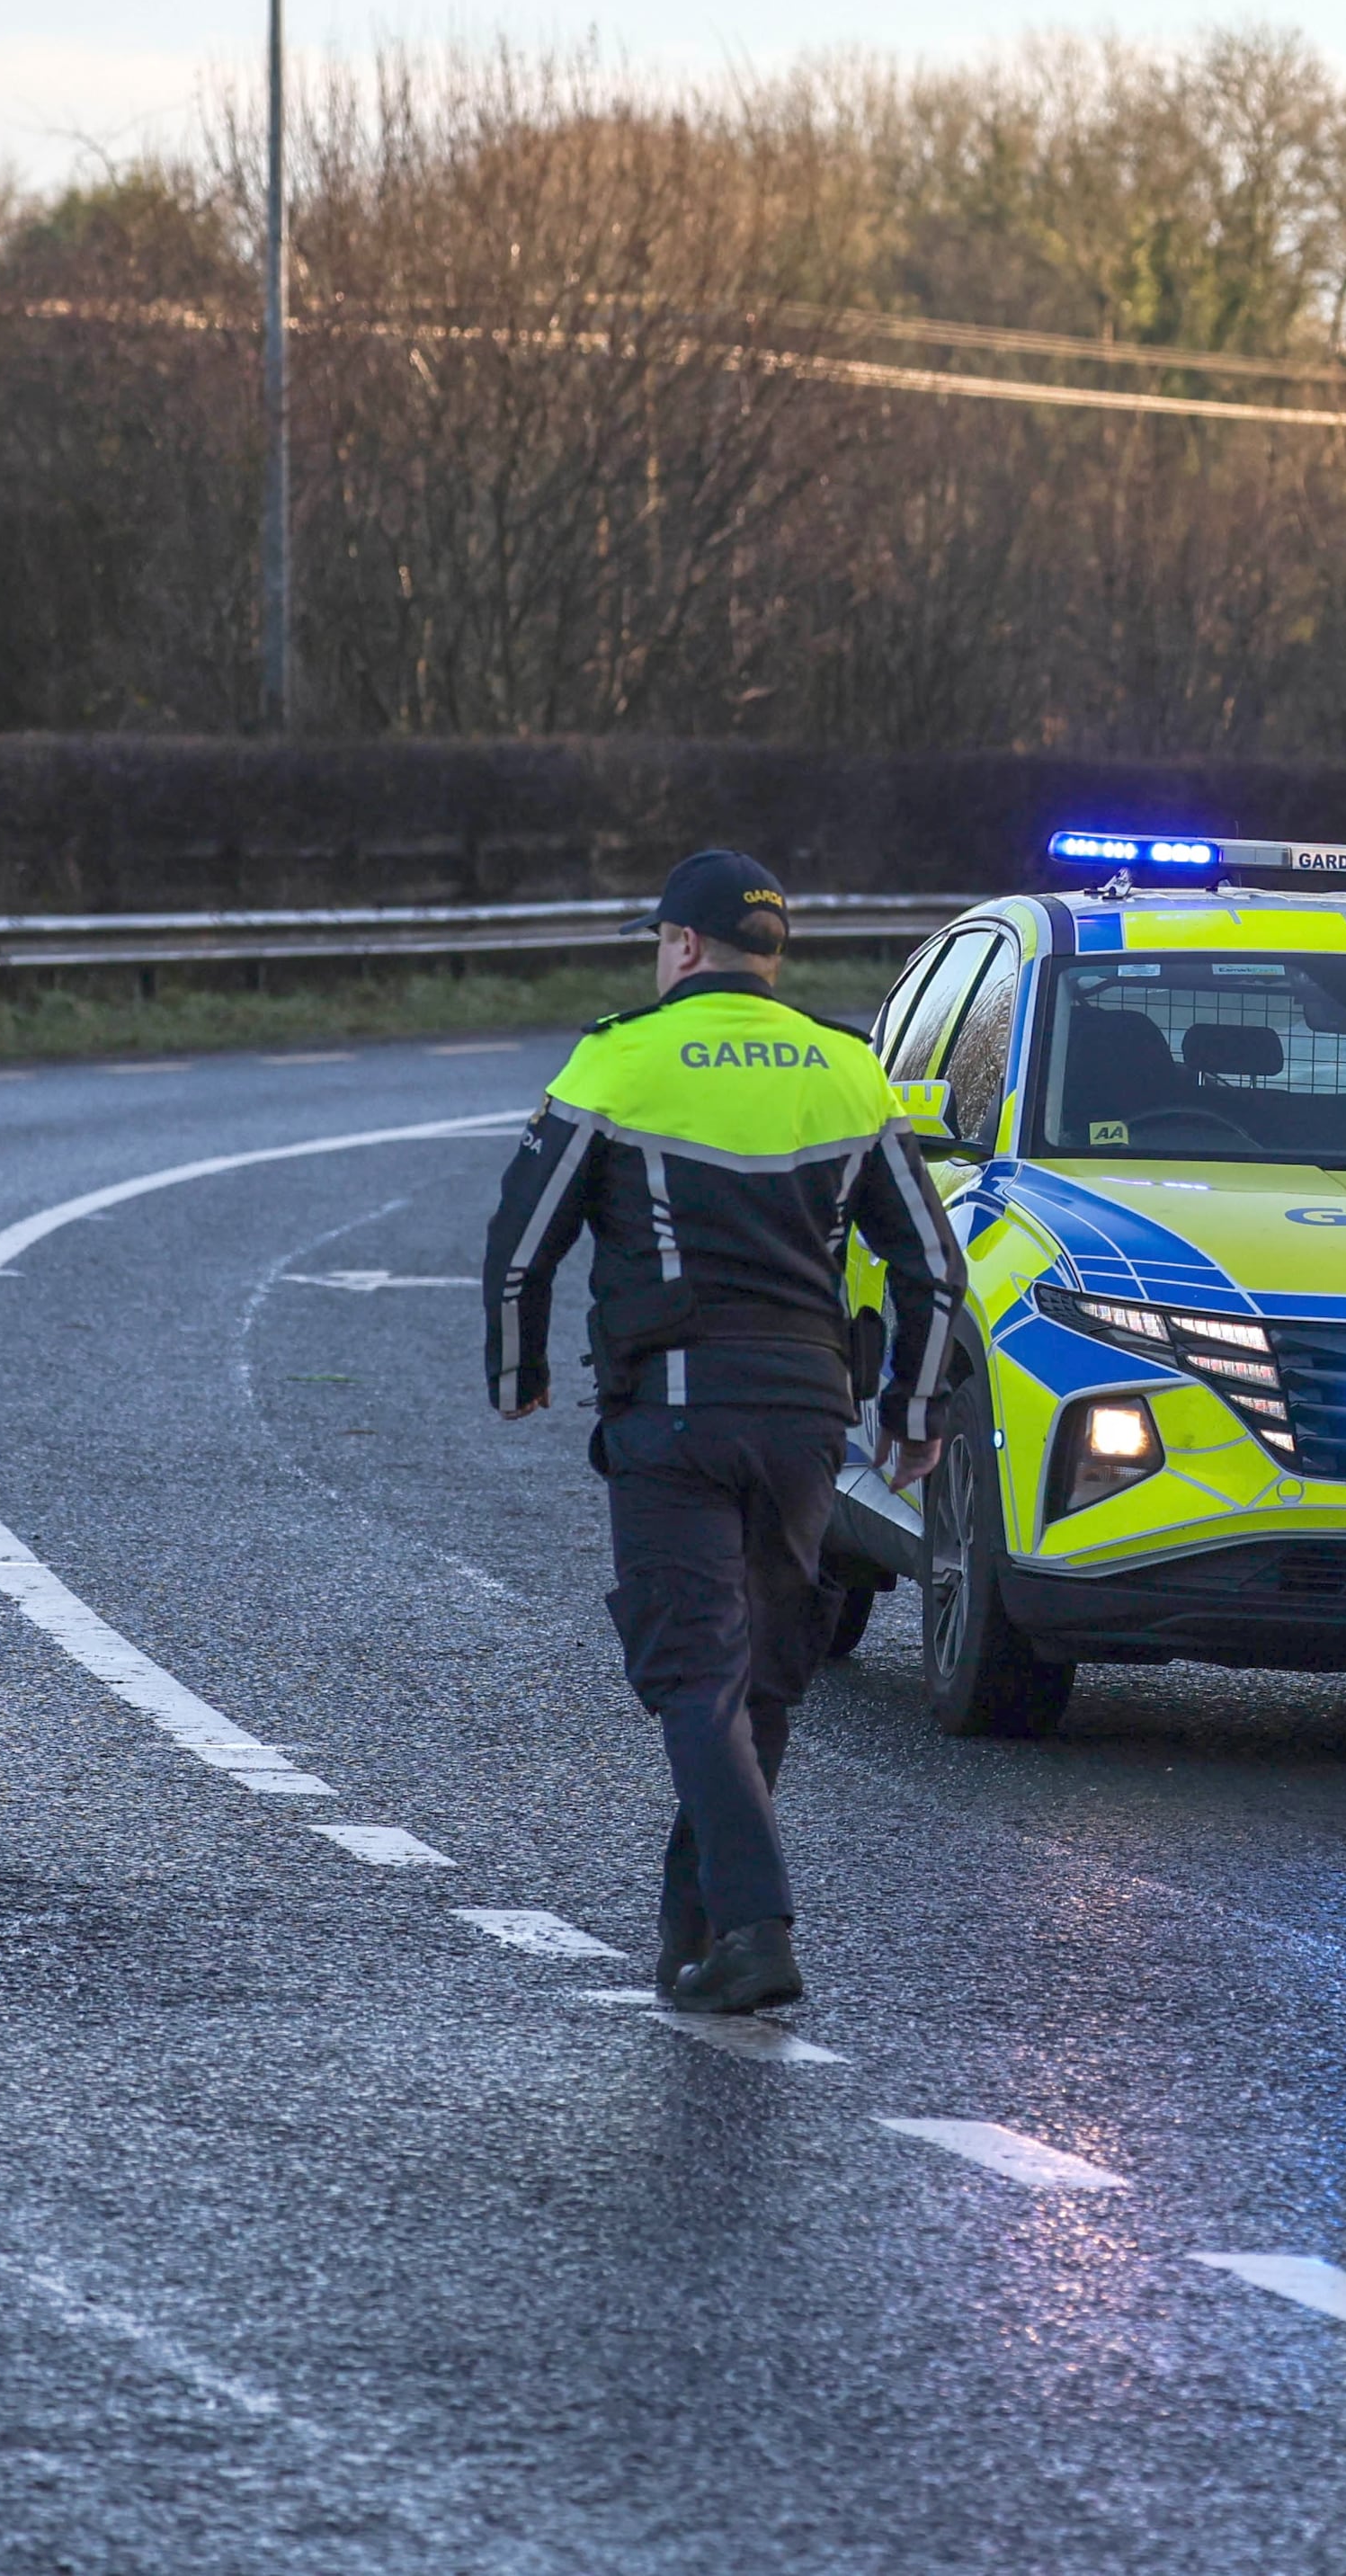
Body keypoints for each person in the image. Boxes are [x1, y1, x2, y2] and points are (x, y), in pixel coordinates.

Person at [483, 849, 964, 2014]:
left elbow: (521, 1239)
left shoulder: (622, 1058)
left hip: (677, 1413)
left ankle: (758, 1928)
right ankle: (690, 1934)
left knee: (694, 1670)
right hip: (808, 1420)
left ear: (682, 946)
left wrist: (519, 1372)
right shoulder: (849, 1071)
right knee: (755, 1684)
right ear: (772, 953)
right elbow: (936, 1274)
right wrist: (915, 1415)